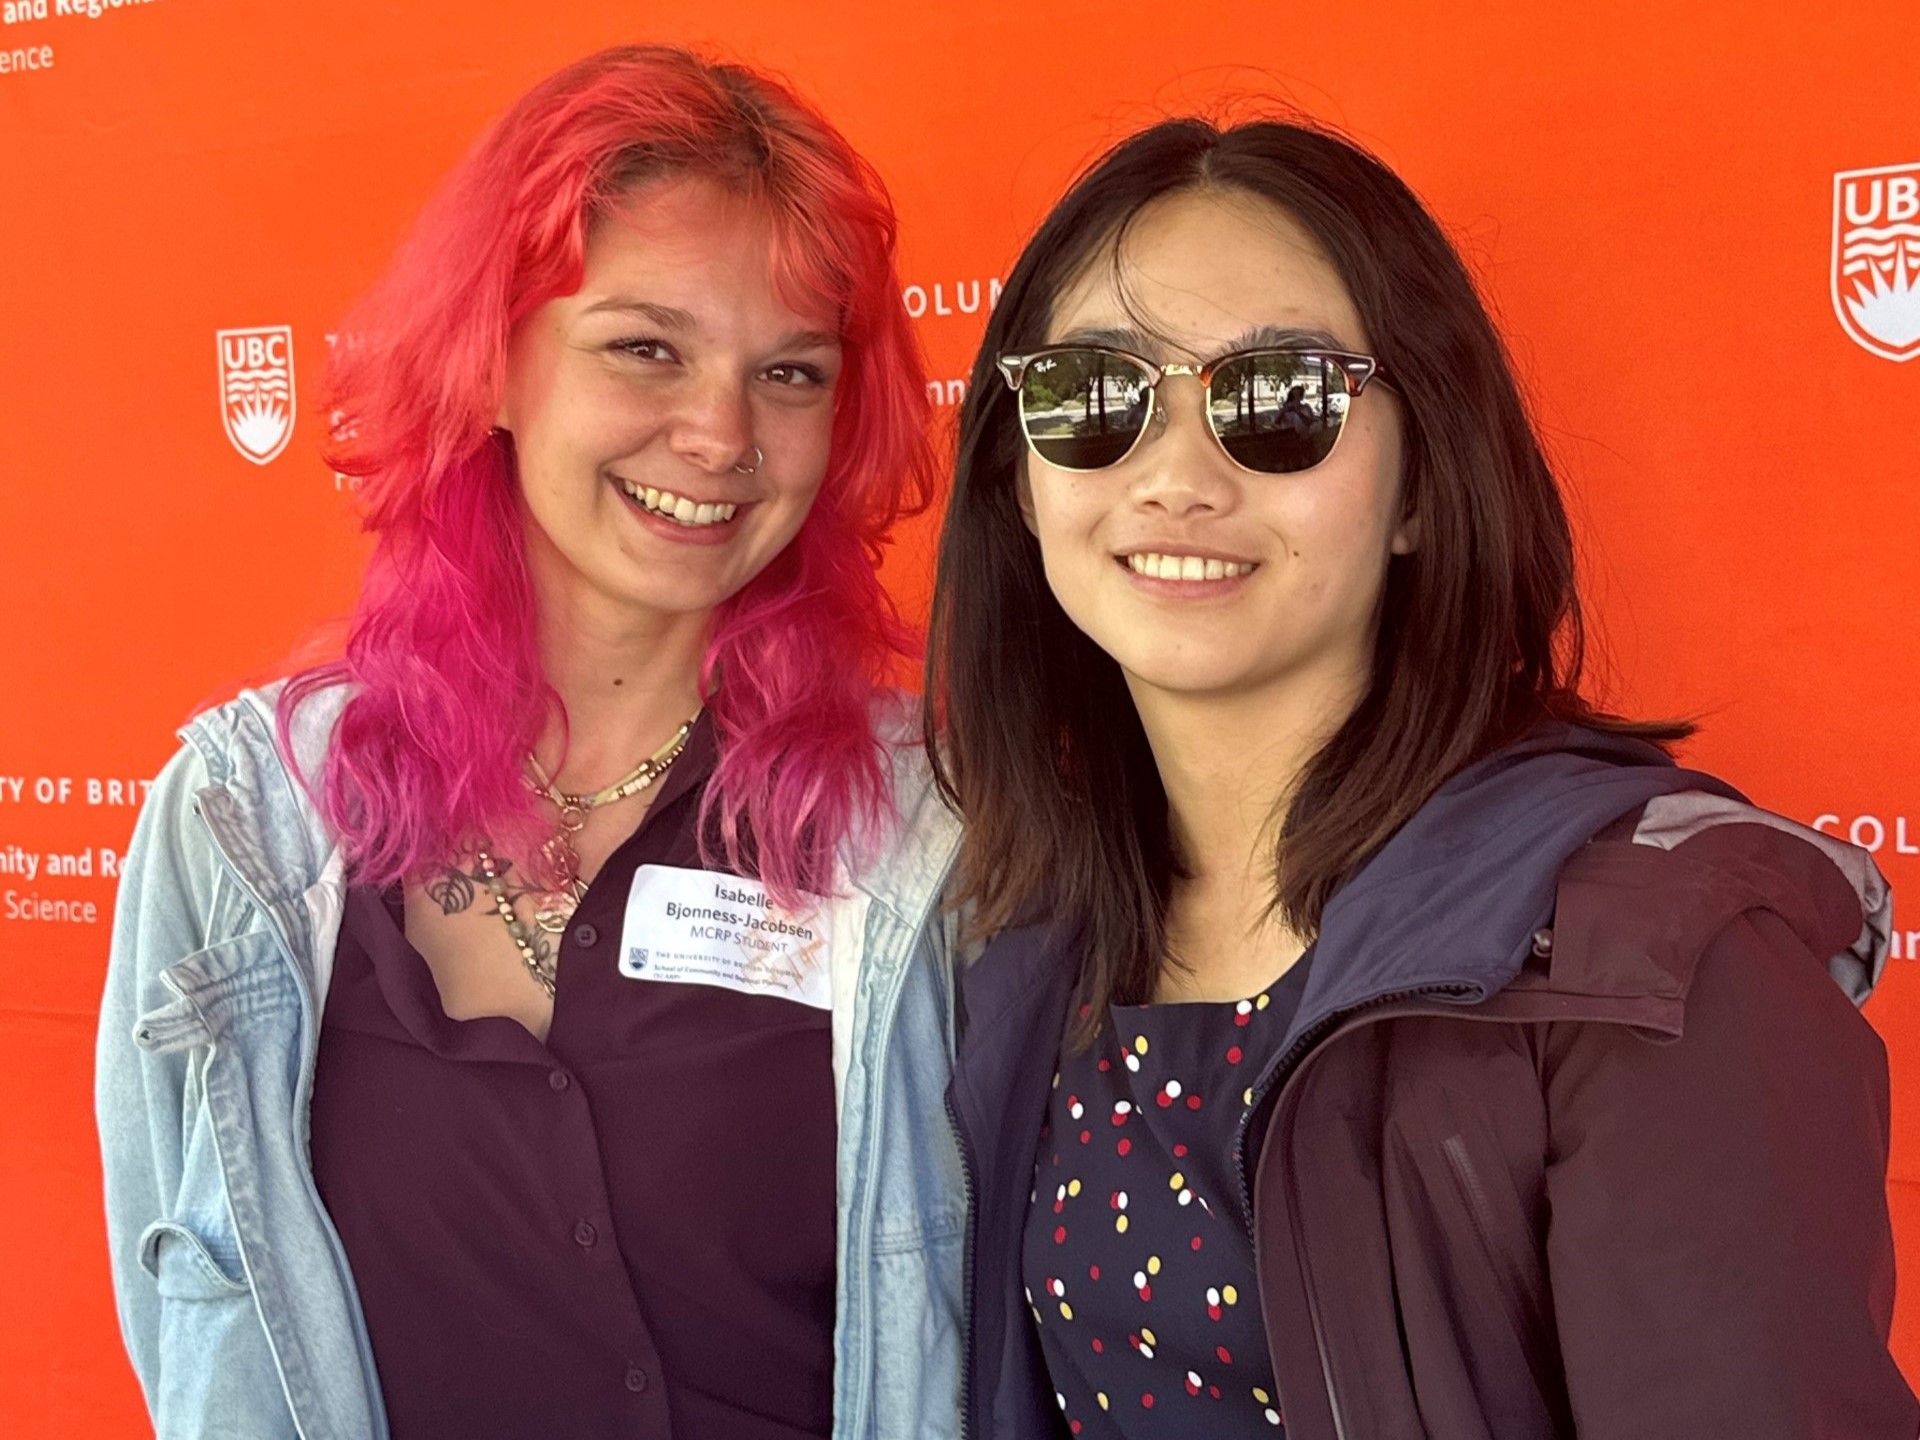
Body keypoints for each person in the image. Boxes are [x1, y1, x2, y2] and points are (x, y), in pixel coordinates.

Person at [925, 116, 1916, 1438]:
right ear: (1020, 472)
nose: (1169, 476)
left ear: (1421, 491)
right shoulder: (1024, 936)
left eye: (1277, 399)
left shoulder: (1657, 957)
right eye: (1094, 396)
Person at [97, 45, 965, 1440]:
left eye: (790, 372)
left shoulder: (926, 828)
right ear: (492, 359)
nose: (724, 433)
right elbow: (208, 1349)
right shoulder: (242, 821)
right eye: (646, 348)